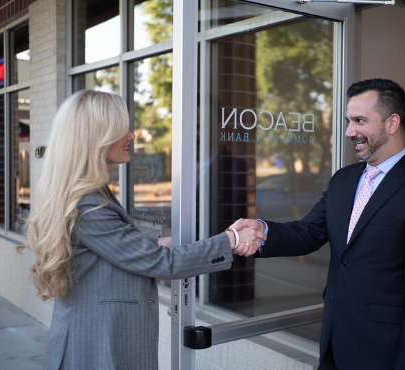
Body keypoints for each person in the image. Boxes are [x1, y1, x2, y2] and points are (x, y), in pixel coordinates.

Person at [19, 89, 265, 370]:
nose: (132, 135)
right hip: (95, 346)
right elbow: (162, 264)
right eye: (121, 128)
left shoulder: (88, 192)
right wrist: (232, 239)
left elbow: (110, 247)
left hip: (102, 338)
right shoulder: (87, 203)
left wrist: (156, 241)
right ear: (95, 136)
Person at [231, 79, 405, 370]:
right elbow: (309, 232)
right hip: (335, 344)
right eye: (348, 121)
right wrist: (264, 231)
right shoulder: (343, 180)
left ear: (392, 123)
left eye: (359, 121)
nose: (350, 132)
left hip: (386, 355)